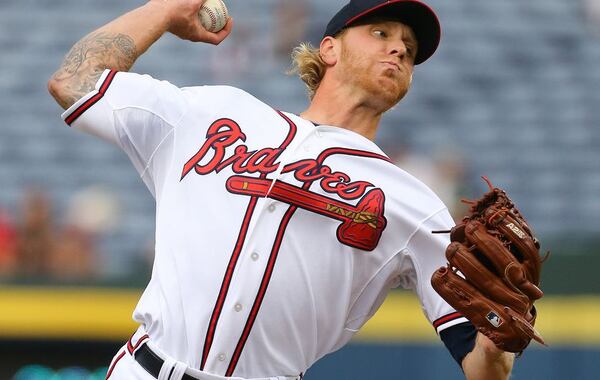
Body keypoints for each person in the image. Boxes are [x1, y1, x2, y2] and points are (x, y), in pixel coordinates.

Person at [48, 0, 515, 379]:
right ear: (329, 49)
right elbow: (74, 83)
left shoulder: (415, 204)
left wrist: (499, 340)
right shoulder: (215, 112)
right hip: (146, 370)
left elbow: (480, 365)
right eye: (381, 33)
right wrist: (166, 10)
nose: (398, 50)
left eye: (409, 49)